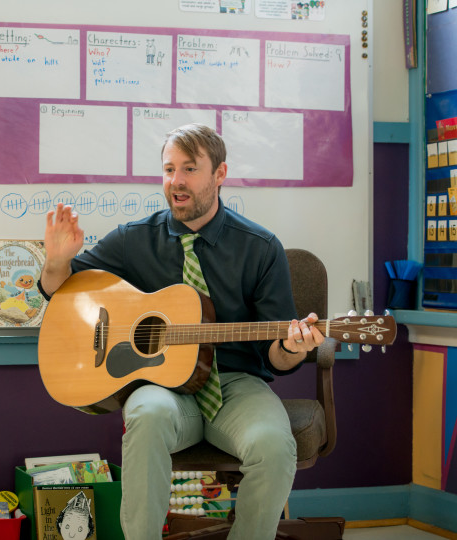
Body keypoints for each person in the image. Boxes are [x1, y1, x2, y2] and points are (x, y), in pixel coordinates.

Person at [39, 123, 324, 539]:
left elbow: (278, 358)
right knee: (145, 412)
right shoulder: (133, 240)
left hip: (236, 386)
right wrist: (56, 261)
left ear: (220, 174)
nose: (176, 181)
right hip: (165, 388)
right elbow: (61, 293)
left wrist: (295, 347)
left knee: (274, 447)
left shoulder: (261, 248)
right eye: (169, 169)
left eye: (189, 168)